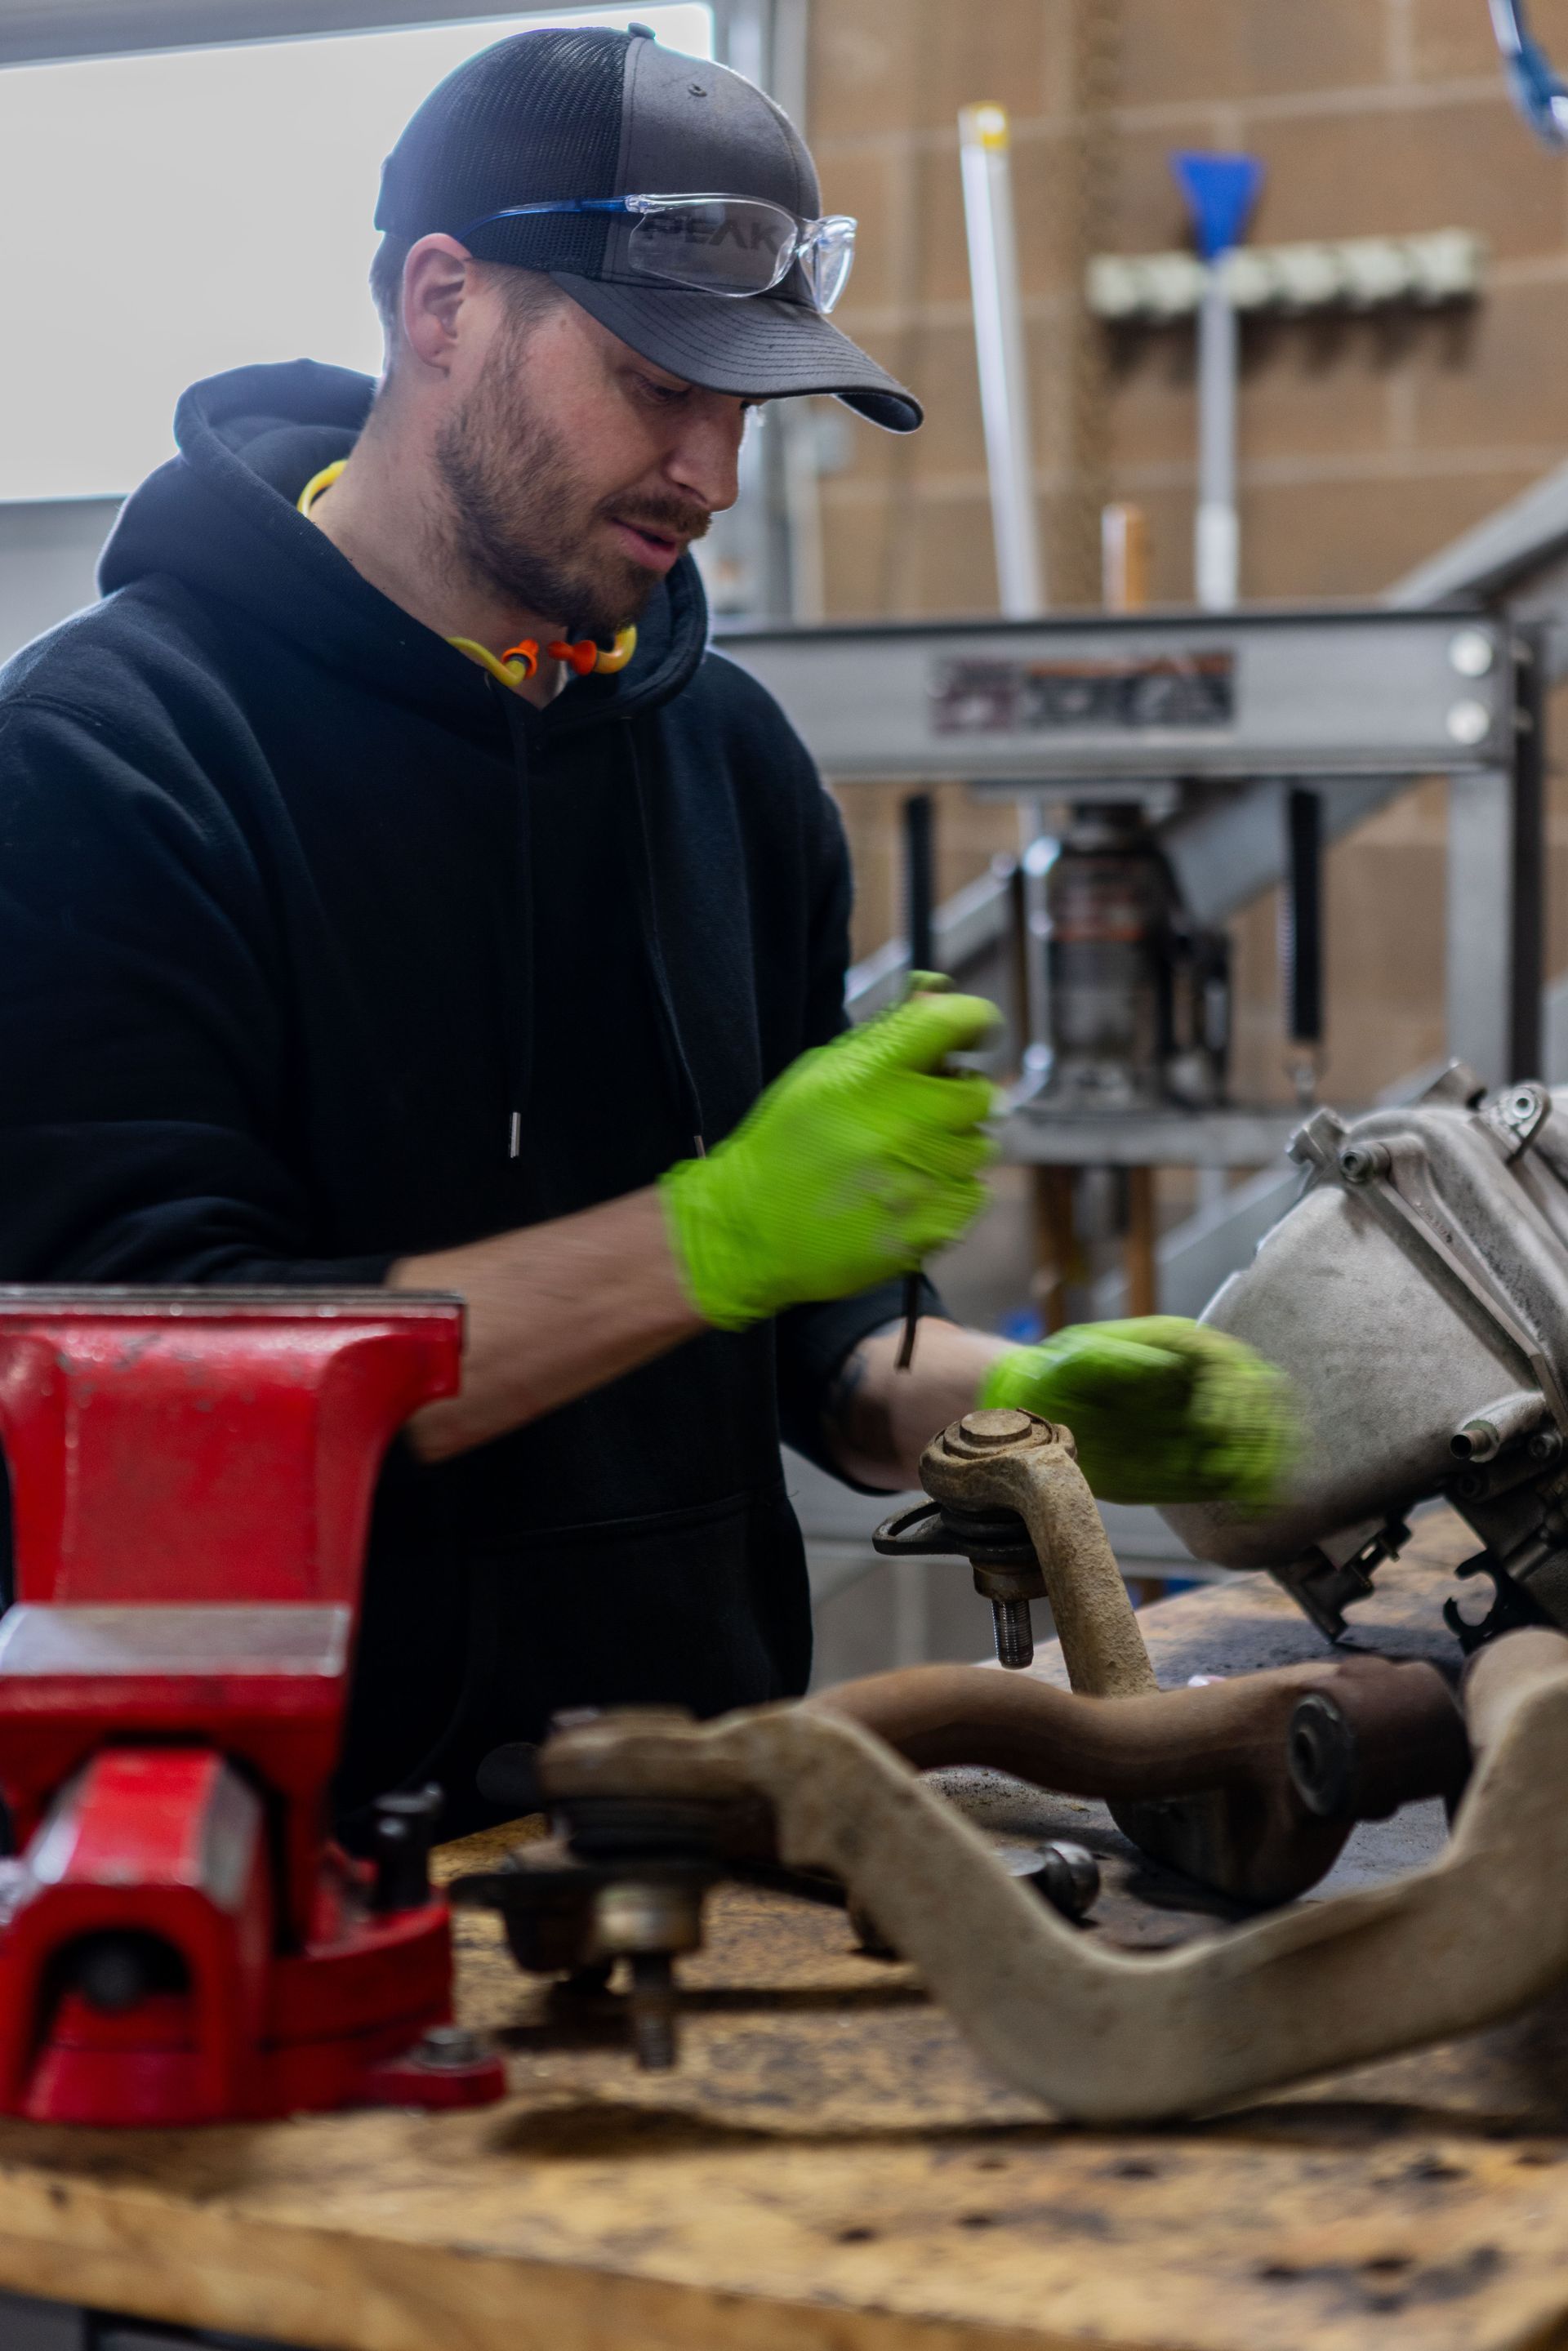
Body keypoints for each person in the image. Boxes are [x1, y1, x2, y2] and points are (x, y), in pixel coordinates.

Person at [0, 24, 1291, 1832]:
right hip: (275, 1876)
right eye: (650, 379)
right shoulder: (107, 760)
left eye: (746, 408)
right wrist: (707, 1233)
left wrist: (1024, 1404)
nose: (710, 468)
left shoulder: (728, 762)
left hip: (701, 1832)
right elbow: (157, 1408)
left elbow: (806, 1350)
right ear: (440, 302)